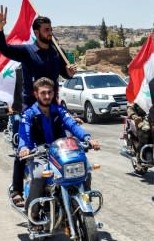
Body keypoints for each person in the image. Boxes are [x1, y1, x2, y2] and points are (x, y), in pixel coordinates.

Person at [0, 5, 78, 207]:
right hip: (31, 111)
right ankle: (17, 190)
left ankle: (61, 188)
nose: (51, 33)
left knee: (62, 149)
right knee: (25, 151)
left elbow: (64, 74)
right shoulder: (27, 52)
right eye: (47, 30)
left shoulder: (57, 52)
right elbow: (3, 49)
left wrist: (70, 73)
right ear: (37, 32)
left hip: (54, 110)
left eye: (51, 29)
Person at [18, 77, 100, 226]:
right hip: (39, 155)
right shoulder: (29, 115)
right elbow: (24, 134)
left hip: (61, 153)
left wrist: (88, 138)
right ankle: (34, 214)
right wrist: (24, 148)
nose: (47, 96)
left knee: (85, 170)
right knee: (38, 176)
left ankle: (83, 200)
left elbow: (73, 125)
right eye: (43, 93)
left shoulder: (60, 110)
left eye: (50, 92)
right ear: (36, 94)